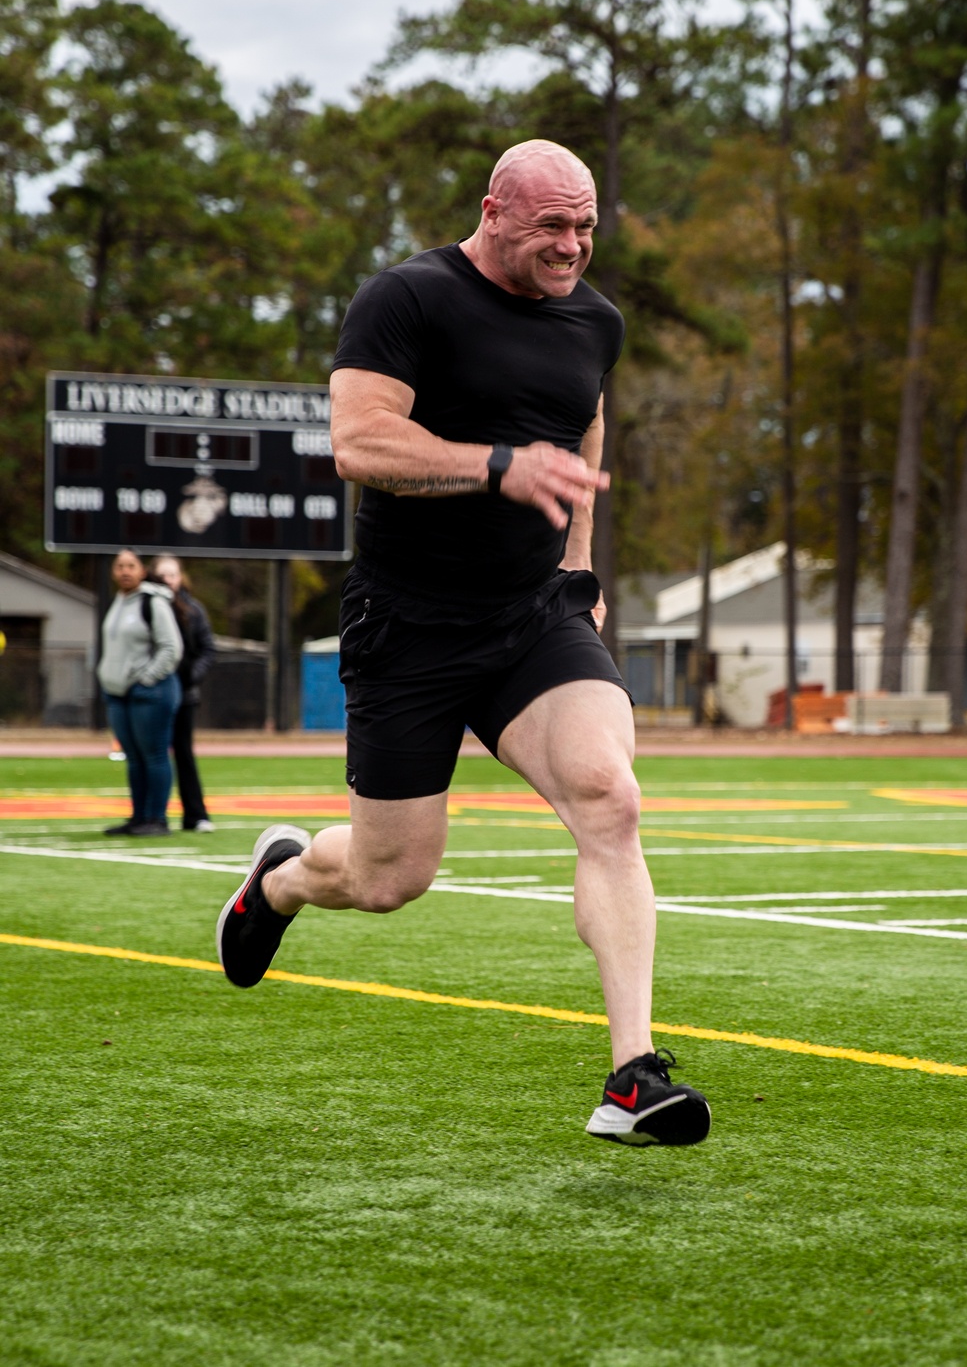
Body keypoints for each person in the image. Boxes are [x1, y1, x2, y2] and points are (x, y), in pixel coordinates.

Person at [216, 139, 712, 1148]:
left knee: (609, 797)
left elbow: (585, 424)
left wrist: (579, 560)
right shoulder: (404, 300)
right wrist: (496, 465)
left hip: (533, 617)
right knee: (389, 879)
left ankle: (633, 1078)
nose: (571, 247)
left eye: (585, 227)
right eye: (550, 228)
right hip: (408, 626)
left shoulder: (596, 320)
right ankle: (280, 880)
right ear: (494, 212)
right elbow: (358, 443)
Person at [98, 548, 183, 837]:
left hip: (151, 693)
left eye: (131, 565)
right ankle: (138, 818)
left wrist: (145, 679)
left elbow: (172, 647)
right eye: (119, 565)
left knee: (155, 755)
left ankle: (157, 819)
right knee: (134, 757)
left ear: (142, 571)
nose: (124, 571)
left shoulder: (153, 602)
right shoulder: (117, 602)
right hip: (119, 694)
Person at [149, 554, 217, 833]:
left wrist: (190, 677)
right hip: (151, 694)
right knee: (152, 754)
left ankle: (195, 814)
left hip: (183, 695)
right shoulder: (146, 607)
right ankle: (151, 815)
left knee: (184, 753)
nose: (169, 580)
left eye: (173, 575)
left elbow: (207, 648)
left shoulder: (193, 610)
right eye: (163, 575)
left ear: (181, 578)